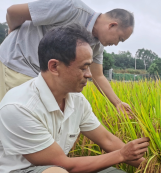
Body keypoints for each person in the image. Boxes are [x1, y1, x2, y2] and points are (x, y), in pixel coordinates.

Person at [0, 23, 149, 173]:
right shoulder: (20, 107)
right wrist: (122, 155)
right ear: (54, 67)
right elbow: (63, 164)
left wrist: (155, 167)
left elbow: (107, 140)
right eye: (83, 67)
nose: (89, 74)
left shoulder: (77, 100)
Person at [0, 0, 132, 114]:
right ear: (112, 25)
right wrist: (12, 31)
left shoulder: (97, 46)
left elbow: (98, 76)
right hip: (18, 64)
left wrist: (117, 103)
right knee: (16, 119)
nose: (116, 44)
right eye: (119, 39)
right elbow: (13, 12)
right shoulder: (70, 7)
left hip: (45, 76)